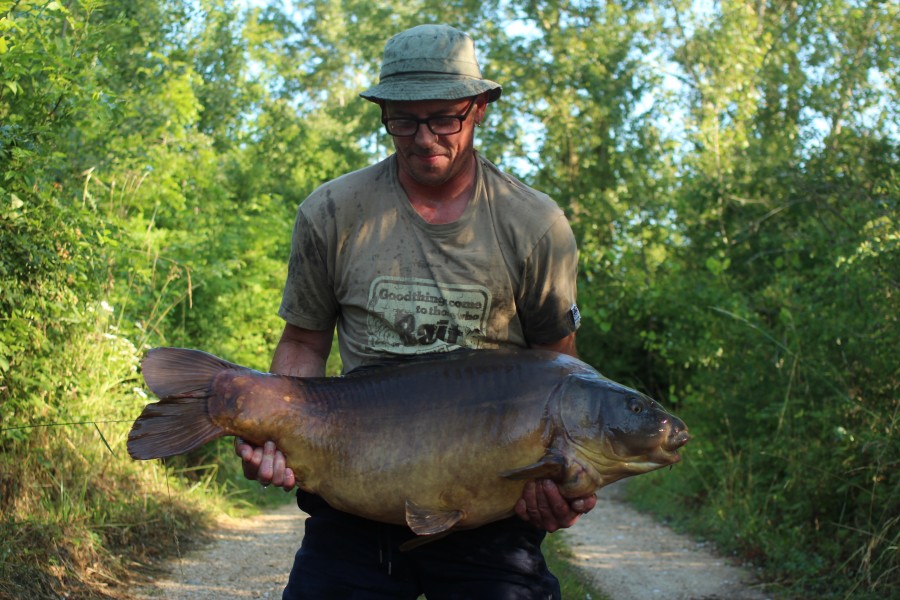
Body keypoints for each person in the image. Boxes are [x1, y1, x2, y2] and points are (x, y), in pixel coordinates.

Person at [236, 23, 597, 599]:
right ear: (383, 113)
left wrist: (561, 486)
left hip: (488, 512)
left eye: (444, 117)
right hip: (358, 501)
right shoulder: (332, 211)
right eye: (404, 119)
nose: (423, 137)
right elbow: (304, 345)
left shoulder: (534, 225)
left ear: (478, 109)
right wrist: (274, 431)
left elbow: (561, 374)